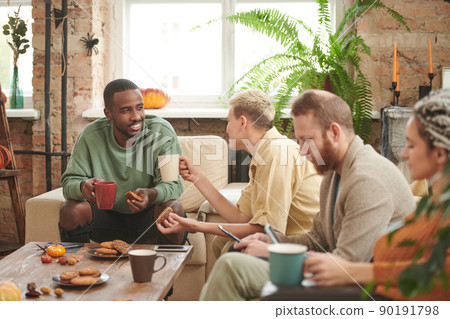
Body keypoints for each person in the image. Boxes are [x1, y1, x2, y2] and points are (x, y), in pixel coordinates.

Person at [199, 89, 416, 300]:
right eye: (299, 141)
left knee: (233, 267)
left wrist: (270, 253)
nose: (302, 151)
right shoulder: (334, 174)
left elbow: (345, 265)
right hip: (339, 274)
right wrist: (272, 240)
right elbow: (318, 239)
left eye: (307, 140)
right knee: (235, 263)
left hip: (371, 290)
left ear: (335, 132)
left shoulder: (366, 178)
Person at [303, 88, 450, 301]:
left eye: (411, 144)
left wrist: (352, 271)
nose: (403, 153)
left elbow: (441, 275)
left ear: (438, 153)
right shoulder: (432, 208)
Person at [157, 89, 322, 253]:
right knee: (220, 242)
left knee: (232, 248)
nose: (227, 129)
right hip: (287, 238)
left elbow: (265, 230)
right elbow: (240, 217)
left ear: (243, 122)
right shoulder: (265, 153)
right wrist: (197, 178)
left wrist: (193, 225)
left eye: (228, 121)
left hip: (308, 244)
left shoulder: (275, 154)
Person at [59, 79, 185, 245]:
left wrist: (150, 194)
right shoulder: (90, 136)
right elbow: (69, 183)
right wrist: (83, 186)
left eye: (139, 108)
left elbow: (174, 185)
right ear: (108, 114)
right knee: (70, 210)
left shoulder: (162, 132)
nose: (136, 116)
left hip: (148, 219)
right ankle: (78, 266)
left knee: (172, 210)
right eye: (126, 110)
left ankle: (167, 269)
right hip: (106, 220)